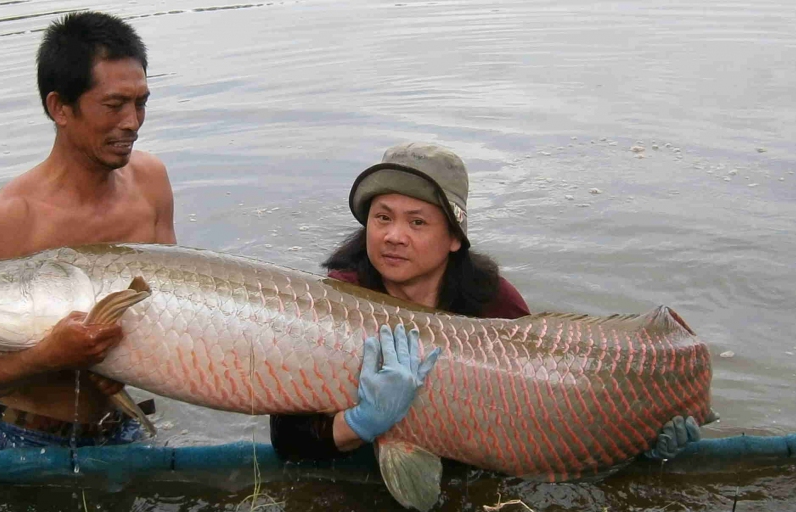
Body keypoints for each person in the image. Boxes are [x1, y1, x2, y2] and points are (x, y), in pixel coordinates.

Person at [270, 142, 701, 463]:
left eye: (417, 222)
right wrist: (363, 422)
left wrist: (638, 442)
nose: (393, 236)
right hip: (359, 461)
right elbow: (287, 441)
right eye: (382, 217)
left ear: (454, 238)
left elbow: (544, 412)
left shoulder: (495, 304)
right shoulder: (332, 302)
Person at [0, 11, 175, 450]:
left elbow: (169, 310)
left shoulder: (151, 183)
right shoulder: (5, 221)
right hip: (26, 437)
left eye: (141, 102)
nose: (132, 121)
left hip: (124, 425)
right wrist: (51, 355)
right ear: (59, 107)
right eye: (114, 105)